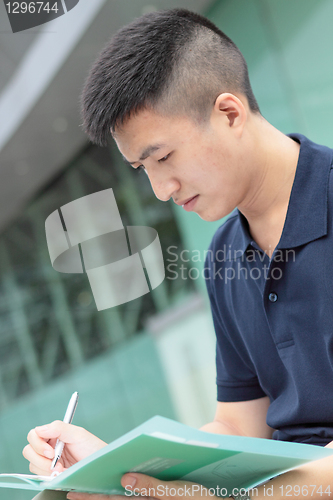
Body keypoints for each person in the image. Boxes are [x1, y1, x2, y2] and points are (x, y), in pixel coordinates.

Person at [23, 8, 333, 500]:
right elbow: (238, 427)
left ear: (229, 113)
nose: (161, 189)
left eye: (163, 157)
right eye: (140, 168)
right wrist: (122, 472)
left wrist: (240, 497)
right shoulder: (223, 256)